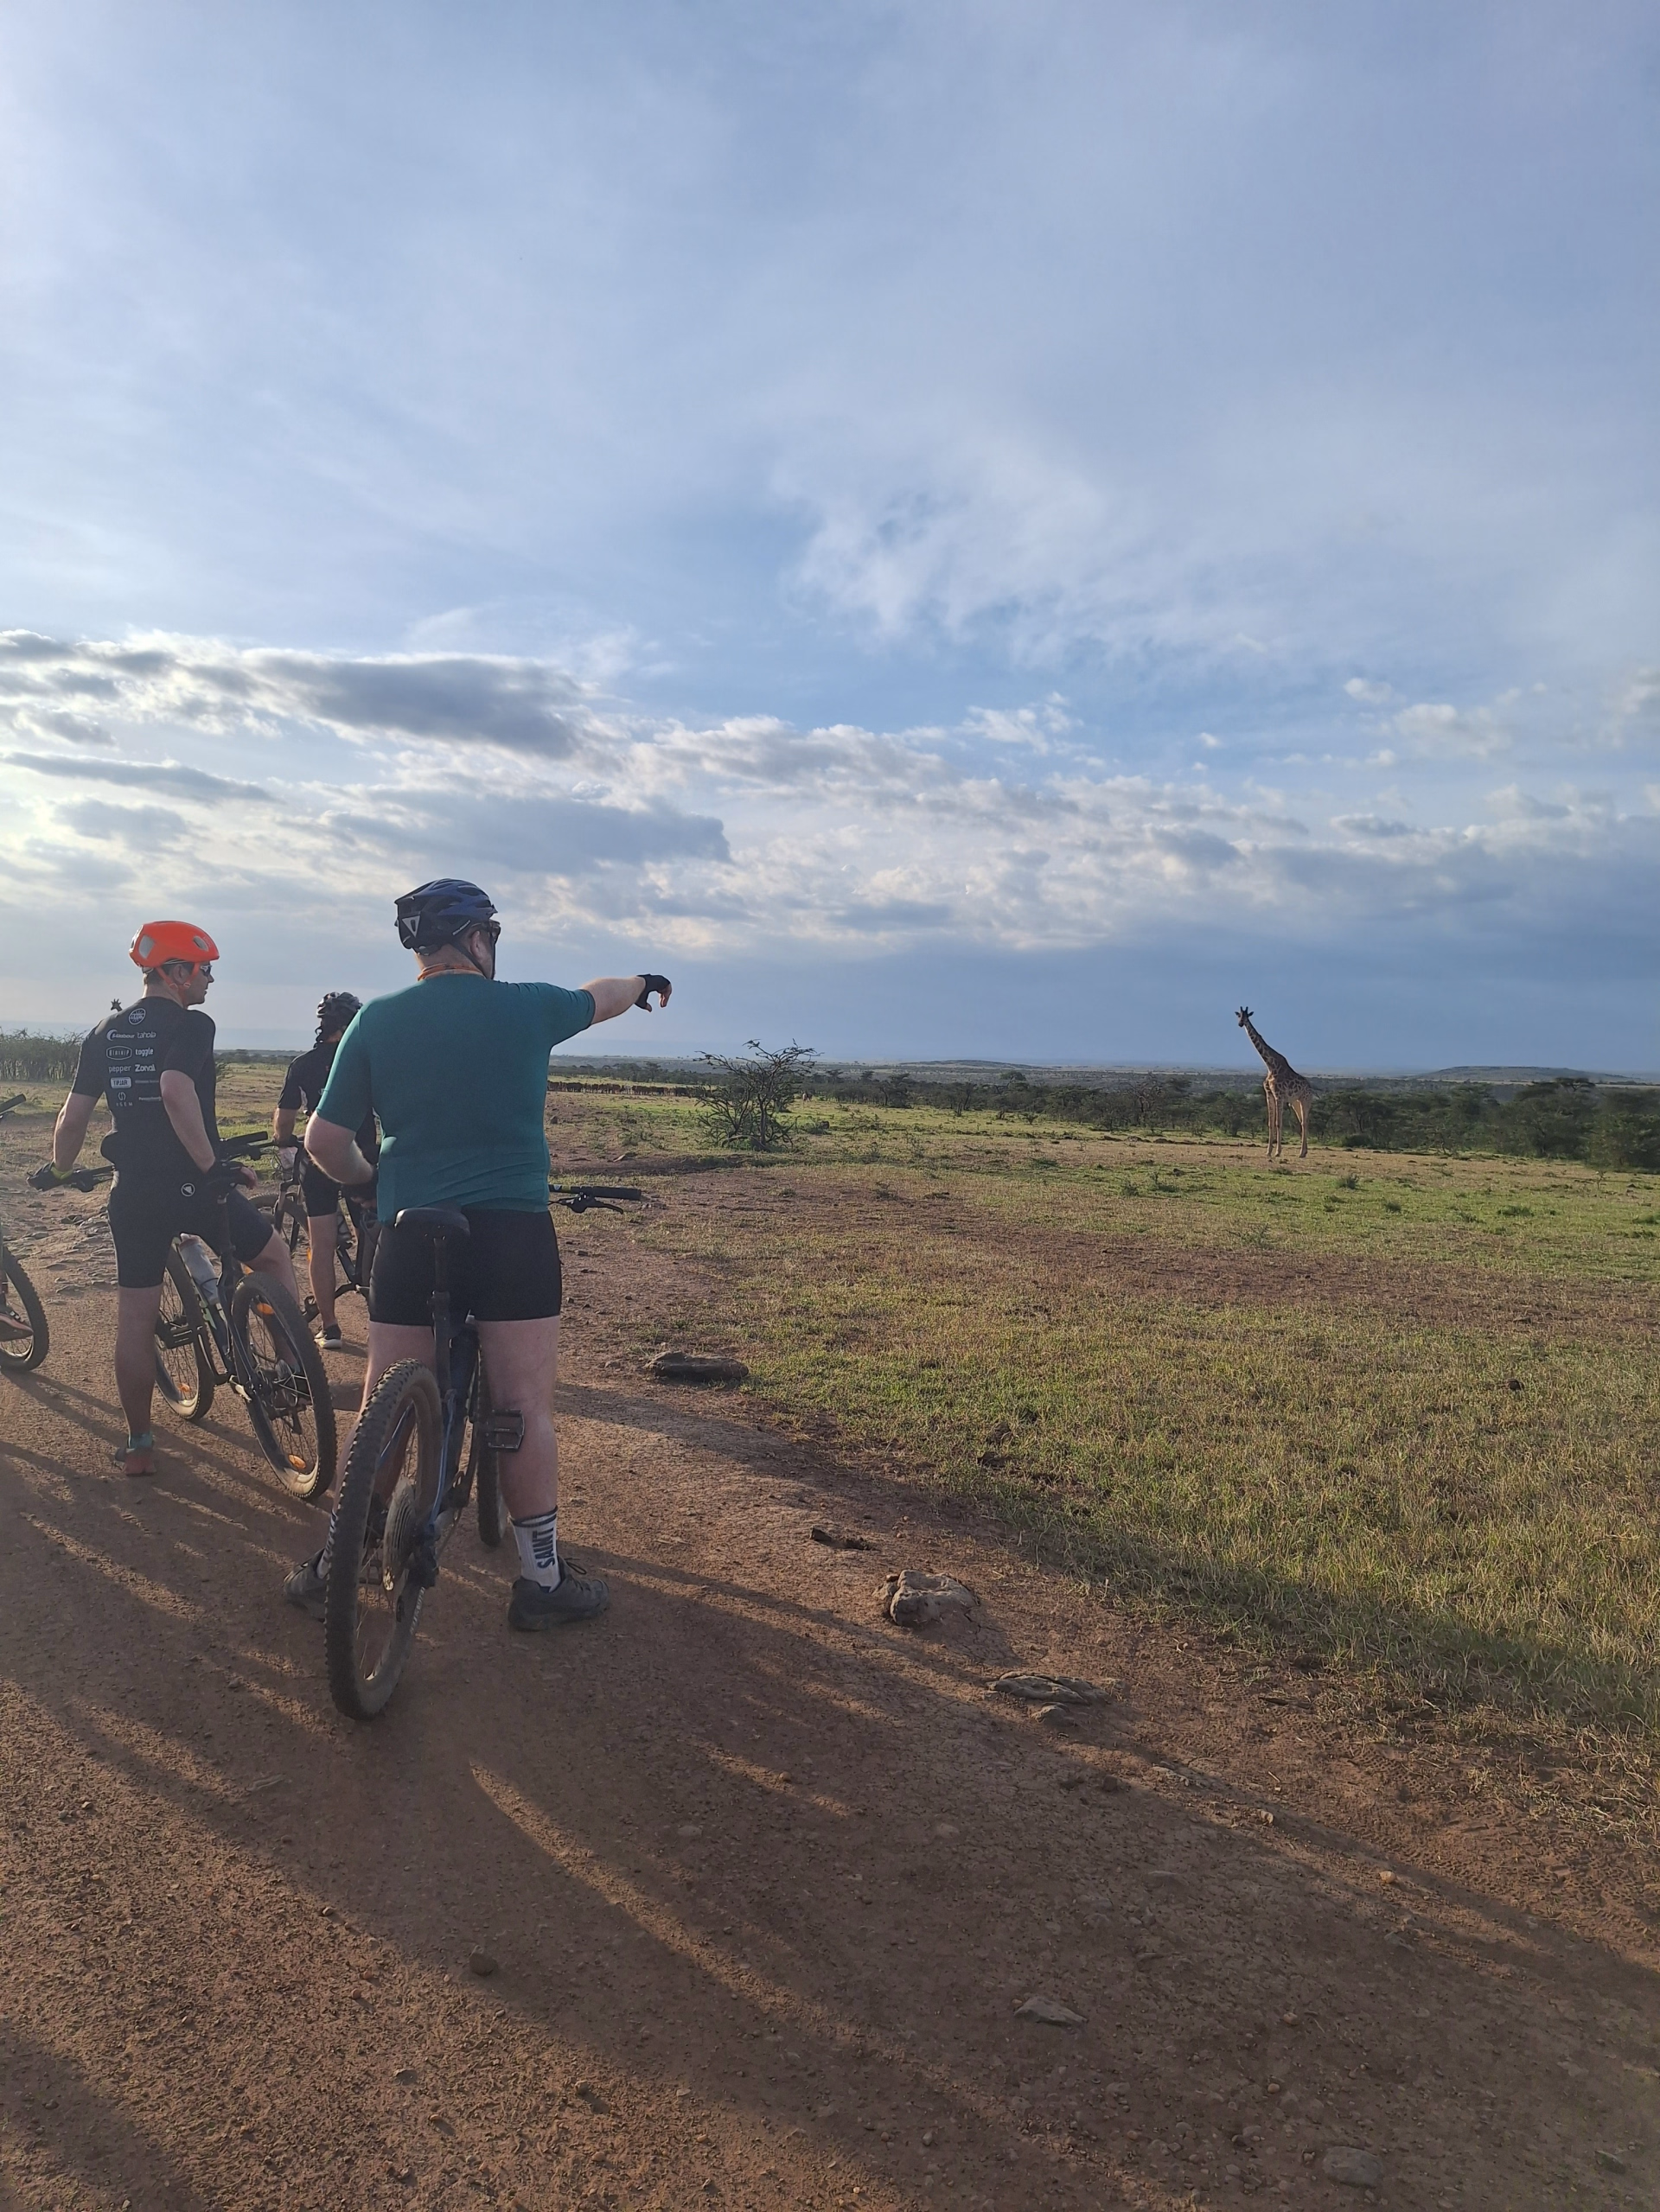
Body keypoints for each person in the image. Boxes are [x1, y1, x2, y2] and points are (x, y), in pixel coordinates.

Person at [281, 878, 672, 1632]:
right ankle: (541, 1579)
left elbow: (323, 1142)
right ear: (477, 939)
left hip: (408, 1230)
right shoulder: (526, 1006)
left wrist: (370, 1184)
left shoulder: (375, 1021)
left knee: (385, 1399)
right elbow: (603, 996)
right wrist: (643, 981)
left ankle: (338, 1558)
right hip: (509, 1234)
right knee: (520, 1405)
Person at [44, 921, 303, 1476]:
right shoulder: (194, 1024)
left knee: (136, 1318)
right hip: (194, 1188)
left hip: (133, 1193)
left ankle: (139, 1444)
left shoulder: (104, 1032)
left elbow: (72, 1117)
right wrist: (212, 1168)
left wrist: (61, 1168)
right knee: (273, 1255)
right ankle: (291, 1372)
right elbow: (174, 1087)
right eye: (204, 968)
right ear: (175, 972)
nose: (209, 979)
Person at [272, 992, 378, 1349]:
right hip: (362, 1158)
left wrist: (283, 1140)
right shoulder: (364, 1059)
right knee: (371, 1234)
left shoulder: (302, 1065)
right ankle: (379, 1312)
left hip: (319, 1160)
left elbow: (284, 1120)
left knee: (321, 1244)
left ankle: (330, 1328)